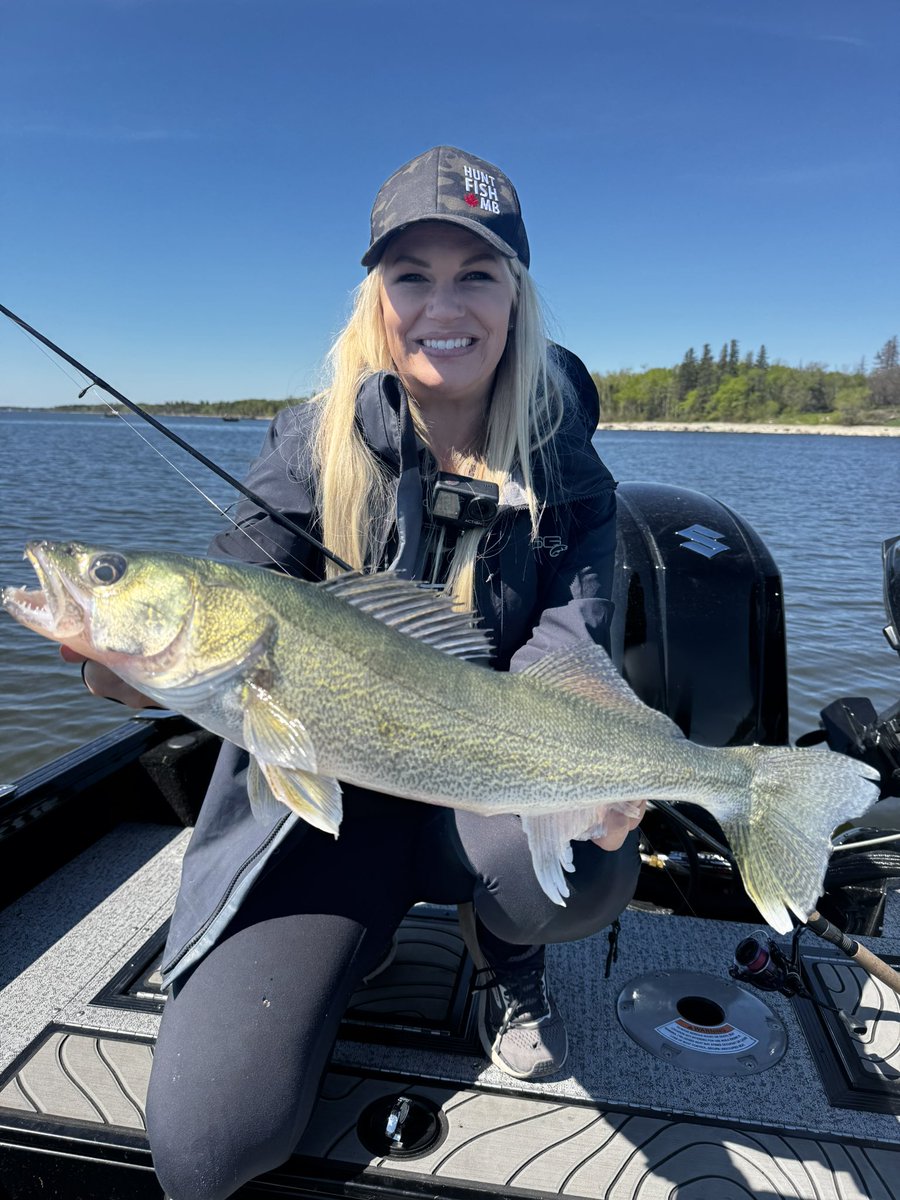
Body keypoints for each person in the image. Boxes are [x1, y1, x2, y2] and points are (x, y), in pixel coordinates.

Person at [65, 145, 644, 1200]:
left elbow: (571, 648)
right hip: (315, 807)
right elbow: (216, 617)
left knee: (584, 870)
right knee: (207, 1154)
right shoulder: (303, 449)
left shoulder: (570, 471)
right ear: (377, 298)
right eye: (410, 275)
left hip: (482, 793)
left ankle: (506, 959)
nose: (443, 304)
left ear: (518, 298)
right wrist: (116, 667)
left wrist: (604, 767)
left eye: (477, 273)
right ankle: (350, 936)